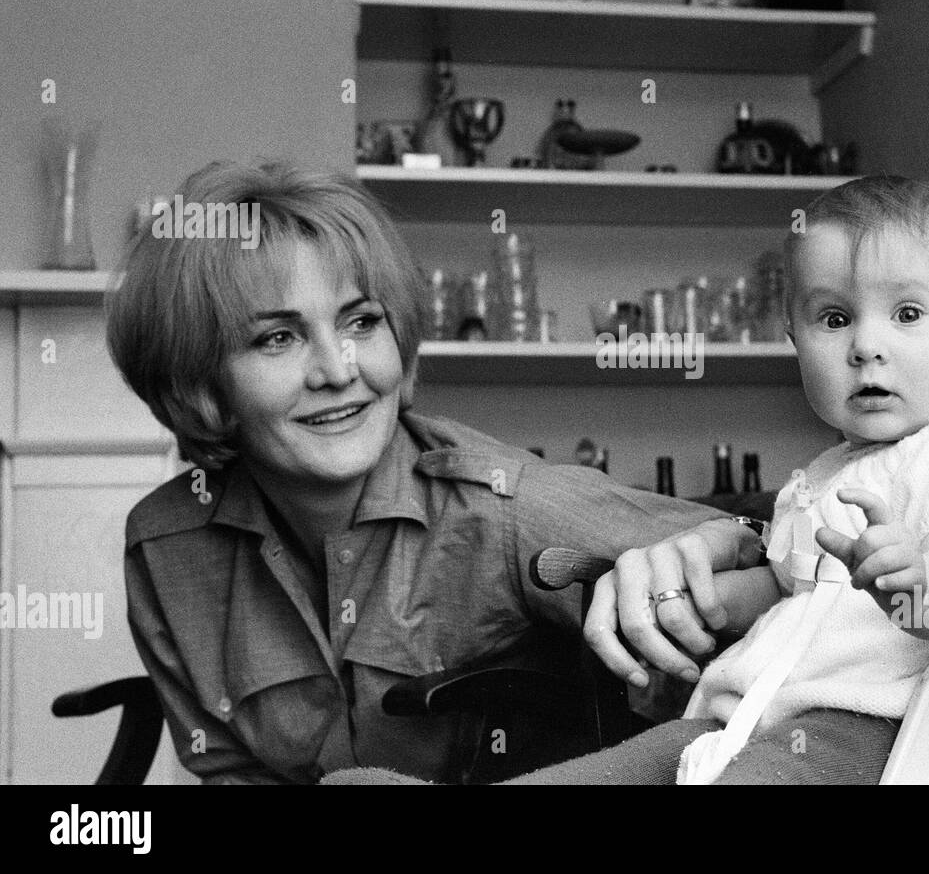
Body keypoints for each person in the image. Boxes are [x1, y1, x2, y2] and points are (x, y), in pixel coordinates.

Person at [106, 159, 762, 784]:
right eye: (278, 337)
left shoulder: (502, 505)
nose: (339, 370)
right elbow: (230, 774)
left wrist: (698, 562)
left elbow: (796, 564)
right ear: (200, 381)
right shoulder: (166, 546)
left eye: (362, 321)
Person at [480, 175, 929, 785]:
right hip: (734, 724)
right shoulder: (816, 480)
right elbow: (784, 589)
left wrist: (920, 584)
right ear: (794, 342)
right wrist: (708, 601)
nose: (865, 346)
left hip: (869, 731)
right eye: (833, 319)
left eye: (906, 313)